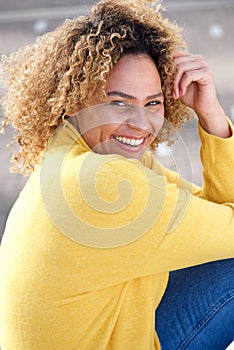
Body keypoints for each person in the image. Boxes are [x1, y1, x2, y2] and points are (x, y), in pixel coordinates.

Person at [0, 0, 233, 349]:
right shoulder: (101, 184)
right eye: (119, 102)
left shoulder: (75, 152)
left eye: (152, 103)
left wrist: (211, 113)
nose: (141, 124)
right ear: (77, 101)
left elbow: (210, 210)